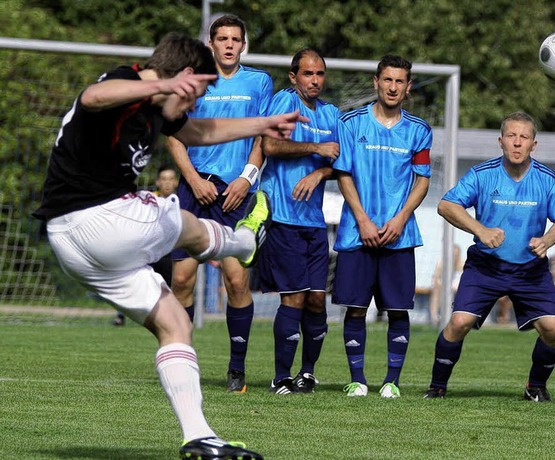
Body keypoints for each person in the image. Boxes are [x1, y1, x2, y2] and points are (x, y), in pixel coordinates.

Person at [32, 32, 307, 459]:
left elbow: (198, 130)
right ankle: (239, 241)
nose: (195, 102)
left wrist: (262, 124)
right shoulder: (126, 84)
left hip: (76, 246)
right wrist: (159, 86)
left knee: (176, 324)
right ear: (180, 77)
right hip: (98, 219)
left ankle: (199, 436)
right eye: (196, 90)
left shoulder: (160, 107)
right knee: (178, 217)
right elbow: (93, 96)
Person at [423, 111, 555, 403]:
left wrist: (547, 240)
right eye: (511, 136)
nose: (517, 143)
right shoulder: (482, 174)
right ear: (501, 141)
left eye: (524, 137)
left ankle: (535, 387)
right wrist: (480, 229)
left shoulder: (547, 179)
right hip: (486, 267)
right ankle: (437, 386)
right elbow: (446, 205)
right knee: (459, 323)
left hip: (531, 270)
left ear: (534, 144)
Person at [166, 14, 274, 394]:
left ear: (244, 45)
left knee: (235, 278)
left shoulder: (259, 82)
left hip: (234, 194)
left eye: (235, 39)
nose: (229, 45)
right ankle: (183, 364)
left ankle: (236, 369)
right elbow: (173, 134)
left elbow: (264, 135)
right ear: (210, 43)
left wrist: (247, 178)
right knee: (181, 278)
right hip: (194, 191)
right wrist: (193, 180)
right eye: (222, 38)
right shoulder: (193, 80)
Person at [332, 55, 433, 399]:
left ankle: (392, 381)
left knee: (397, 309)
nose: (392, 87)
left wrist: (401, 217)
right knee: (356, 307)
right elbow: (342, 173)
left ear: (408, 87)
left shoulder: (419, 130)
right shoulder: (350, 123)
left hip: (399, 234)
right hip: (357, 231)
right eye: (387, 80)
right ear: (376, 82)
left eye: (399, 81)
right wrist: (361, 218)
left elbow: (422, 180)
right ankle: (357, 379)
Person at [257, 48, 340, 395]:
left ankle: (307, 373)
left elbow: (341, 159)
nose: (315, 80)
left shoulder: (332, 113)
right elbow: (270, 146)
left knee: (318, 300)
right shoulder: (282, 103)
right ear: (294, 77)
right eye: (307, 74)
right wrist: (315, 149)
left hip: (314, 222)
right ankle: (281, 377)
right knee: (293, 298)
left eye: (319, 73)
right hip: (284, 217)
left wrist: (321, 172)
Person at [113, 164, 179, 326]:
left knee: (173, 284)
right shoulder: (149, 200)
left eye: (171, 179)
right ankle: (121, 314)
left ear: (176, 182)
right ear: (157, 182)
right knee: (133, 279)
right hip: (148, 250)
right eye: (164, 179)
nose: (167, 183)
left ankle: (171, 317)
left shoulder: (181, 202)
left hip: (172, 252)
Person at [430, 244, 465, 326]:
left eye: (456, 255)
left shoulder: (463, 264)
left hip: (458, 287)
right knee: (436, 290)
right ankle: (434, 318)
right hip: (443, 287)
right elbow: (435, 279)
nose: (455, 257)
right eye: (453, 255)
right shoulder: (441, 263)